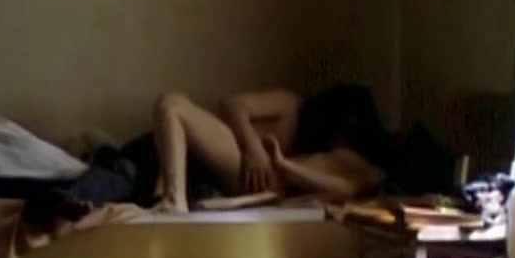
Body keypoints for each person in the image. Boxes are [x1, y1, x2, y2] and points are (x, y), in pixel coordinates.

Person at [151, 84, 390, 211]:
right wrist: (256, 150)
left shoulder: (368, 169)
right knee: (170, 110)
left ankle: (174, 201)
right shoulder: (296, 111)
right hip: (254, 167)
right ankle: (163, 197)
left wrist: (283, 165)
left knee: (171, 105)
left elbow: (346, 189)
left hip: (262, 179)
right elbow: (231, 104)